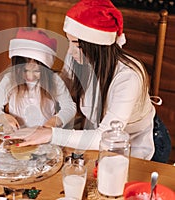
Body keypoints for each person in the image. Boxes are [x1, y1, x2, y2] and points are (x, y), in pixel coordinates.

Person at [12, 0, 171, 163]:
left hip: (137, 143)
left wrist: (51, 134)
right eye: (69, 41)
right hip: (96, 138)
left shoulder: (128, 77)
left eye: (77, 44)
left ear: (97, 45)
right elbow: (62, 90)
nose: (70, 51)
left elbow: (105, 135)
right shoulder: (78, 56)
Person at [0, 28, 76, 133]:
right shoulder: (9, 80)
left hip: (44, 136)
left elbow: (69, 107)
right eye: (25, 70)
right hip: (16, 135)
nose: (30, 76)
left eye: (37, 71)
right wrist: (5, 119)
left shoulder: (54, 80)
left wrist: (53, 122)